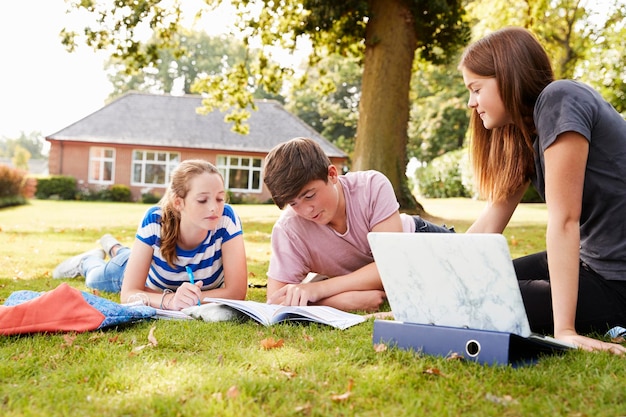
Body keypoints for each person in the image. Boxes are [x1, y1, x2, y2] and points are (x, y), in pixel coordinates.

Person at [459, 26, 626, 354]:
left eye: (476, 89)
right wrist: (439, 277)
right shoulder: (526, 132)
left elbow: (565, 221)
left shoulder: (560, 98)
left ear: (507, 75)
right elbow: (491, 221)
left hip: (617, 279)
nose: (471, 102)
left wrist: (565, 330)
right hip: (589, 263)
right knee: (466, 284)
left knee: (477, 295)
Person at [262, 137, 453, 312]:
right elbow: (275, 299)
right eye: (294, 203)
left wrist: (318, 289)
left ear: (332, 174)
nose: (306, 210)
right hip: (387, 281)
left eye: (310, 196)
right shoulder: (289, 229)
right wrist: (339, 302)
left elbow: (391, 266)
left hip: (421, 243)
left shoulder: (371, 186)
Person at [52, 159, 248, 310]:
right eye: (203, 200)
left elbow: (237, 292)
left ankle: (114, 247)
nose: (214, 208)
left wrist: (192, 299)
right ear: (179, 203)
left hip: (145, 261)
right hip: (131, 272)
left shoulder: (227, 219)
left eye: (220, 198)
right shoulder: (155, 220)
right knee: (95, 277)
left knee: (126, 253)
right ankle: (87, 260)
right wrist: (171, 300)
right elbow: (128, 293)